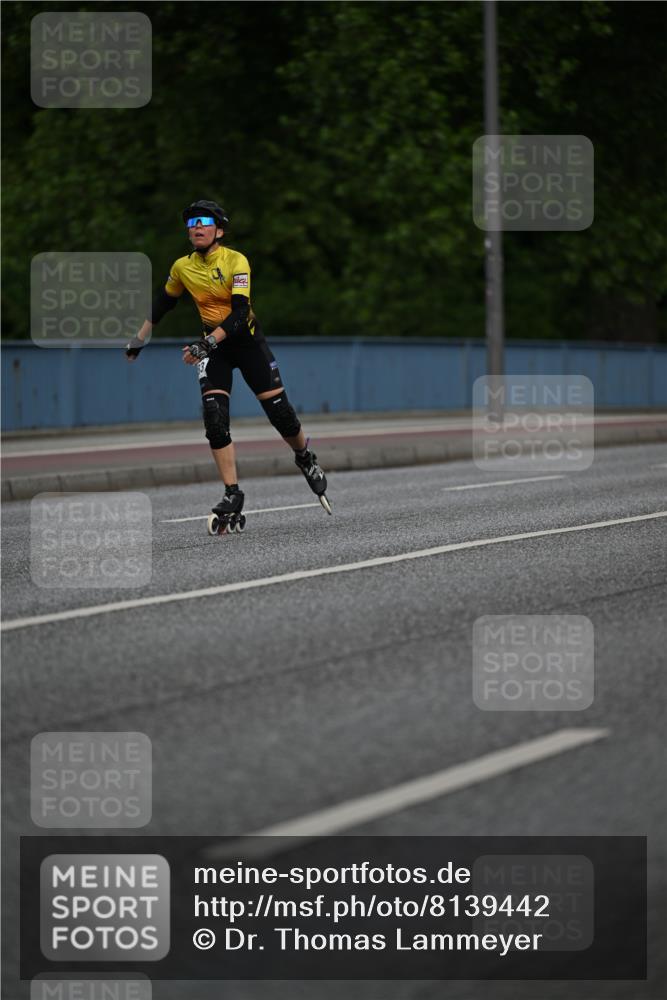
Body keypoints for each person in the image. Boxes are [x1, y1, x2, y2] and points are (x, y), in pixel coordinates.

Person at [125, 199, 331, 530]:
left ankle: (305, 458)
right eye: (191, 223)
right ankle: (232, 493)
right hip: (215, 349)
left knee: (280, 414)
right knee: (215, 420)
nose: (196, 227)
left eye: (204, 221)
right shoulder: (182, 267)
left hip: (247, 343)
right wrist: (139, 339)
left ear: (219, 230)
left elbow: (238, 315)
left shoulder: (236, 260)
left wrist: (205, 343)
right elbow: (163, 303)